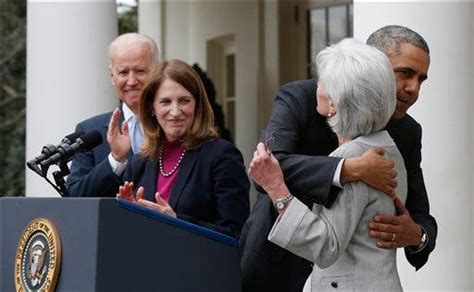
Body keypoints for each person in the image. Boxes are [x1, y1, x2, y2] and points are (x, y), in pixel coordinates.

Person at [240, 25, 437, 291]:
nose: (414, 89)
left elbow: (419, 211)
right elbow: (267, 169)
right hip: (277, 266)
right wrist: (349, 168)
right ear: (369, 63)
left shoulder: (407, 131)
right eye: (405, 73)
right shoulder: (302, 97)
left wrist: (417, 236)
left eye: (421, 79)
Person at [115, 59, 250, 238]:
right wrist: (128, 214)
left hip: (199, 264)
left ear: (197, 105)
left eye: (184, 101)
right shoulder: (139, 161)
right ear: (152, 107)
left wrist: (176, 220)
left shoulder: (222, 156)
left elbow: (236, 233)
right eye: (165, 102)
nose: (176, 111)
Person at [66, 33, 159, 197]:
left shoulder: (174, 125)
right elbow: (76, 196)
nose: (131, 81)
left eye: (140, 71)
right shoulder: (90, 131)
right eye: (123, 72)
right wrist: (115, 160)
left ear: (157, 71)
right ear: (112, 77)